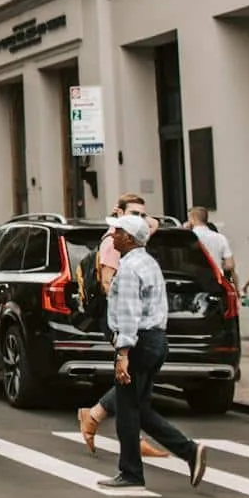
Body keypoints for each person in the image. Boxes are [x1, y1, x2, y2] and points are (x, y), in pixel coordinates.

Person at [96, 213, 209, 489]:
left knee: (127, 411)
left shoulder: (130, 269)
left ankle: (132, 472)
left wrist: (122, 353)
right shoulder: (149, 263)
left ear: (130, 238)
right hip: (156, 340)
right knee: (139, 408)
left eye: (118, 231)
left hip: (140, 343)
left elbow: (129, 313)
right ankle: (188, 451)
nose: (112, 235)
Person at [77, 193, 163, 458]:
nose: (140, 220)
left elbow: (154, 224)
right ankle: (99, 419)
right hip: (119, 318)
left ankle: (96, 417)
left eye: (141, 215)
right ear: (120, 213)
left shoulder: (133, 237)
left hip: (138, 320)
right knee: (133, 380)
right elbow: (107, 283)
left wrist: (134, 218)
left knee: (138, 383)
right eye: (133, 214)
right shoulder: (113, 243)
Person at [189, 206, 236, 282]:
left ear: (193, 219)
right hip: (216, 279)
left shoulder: (189, 237)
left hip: (196, 280)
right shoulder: (220, 238)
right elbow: (230, 264)